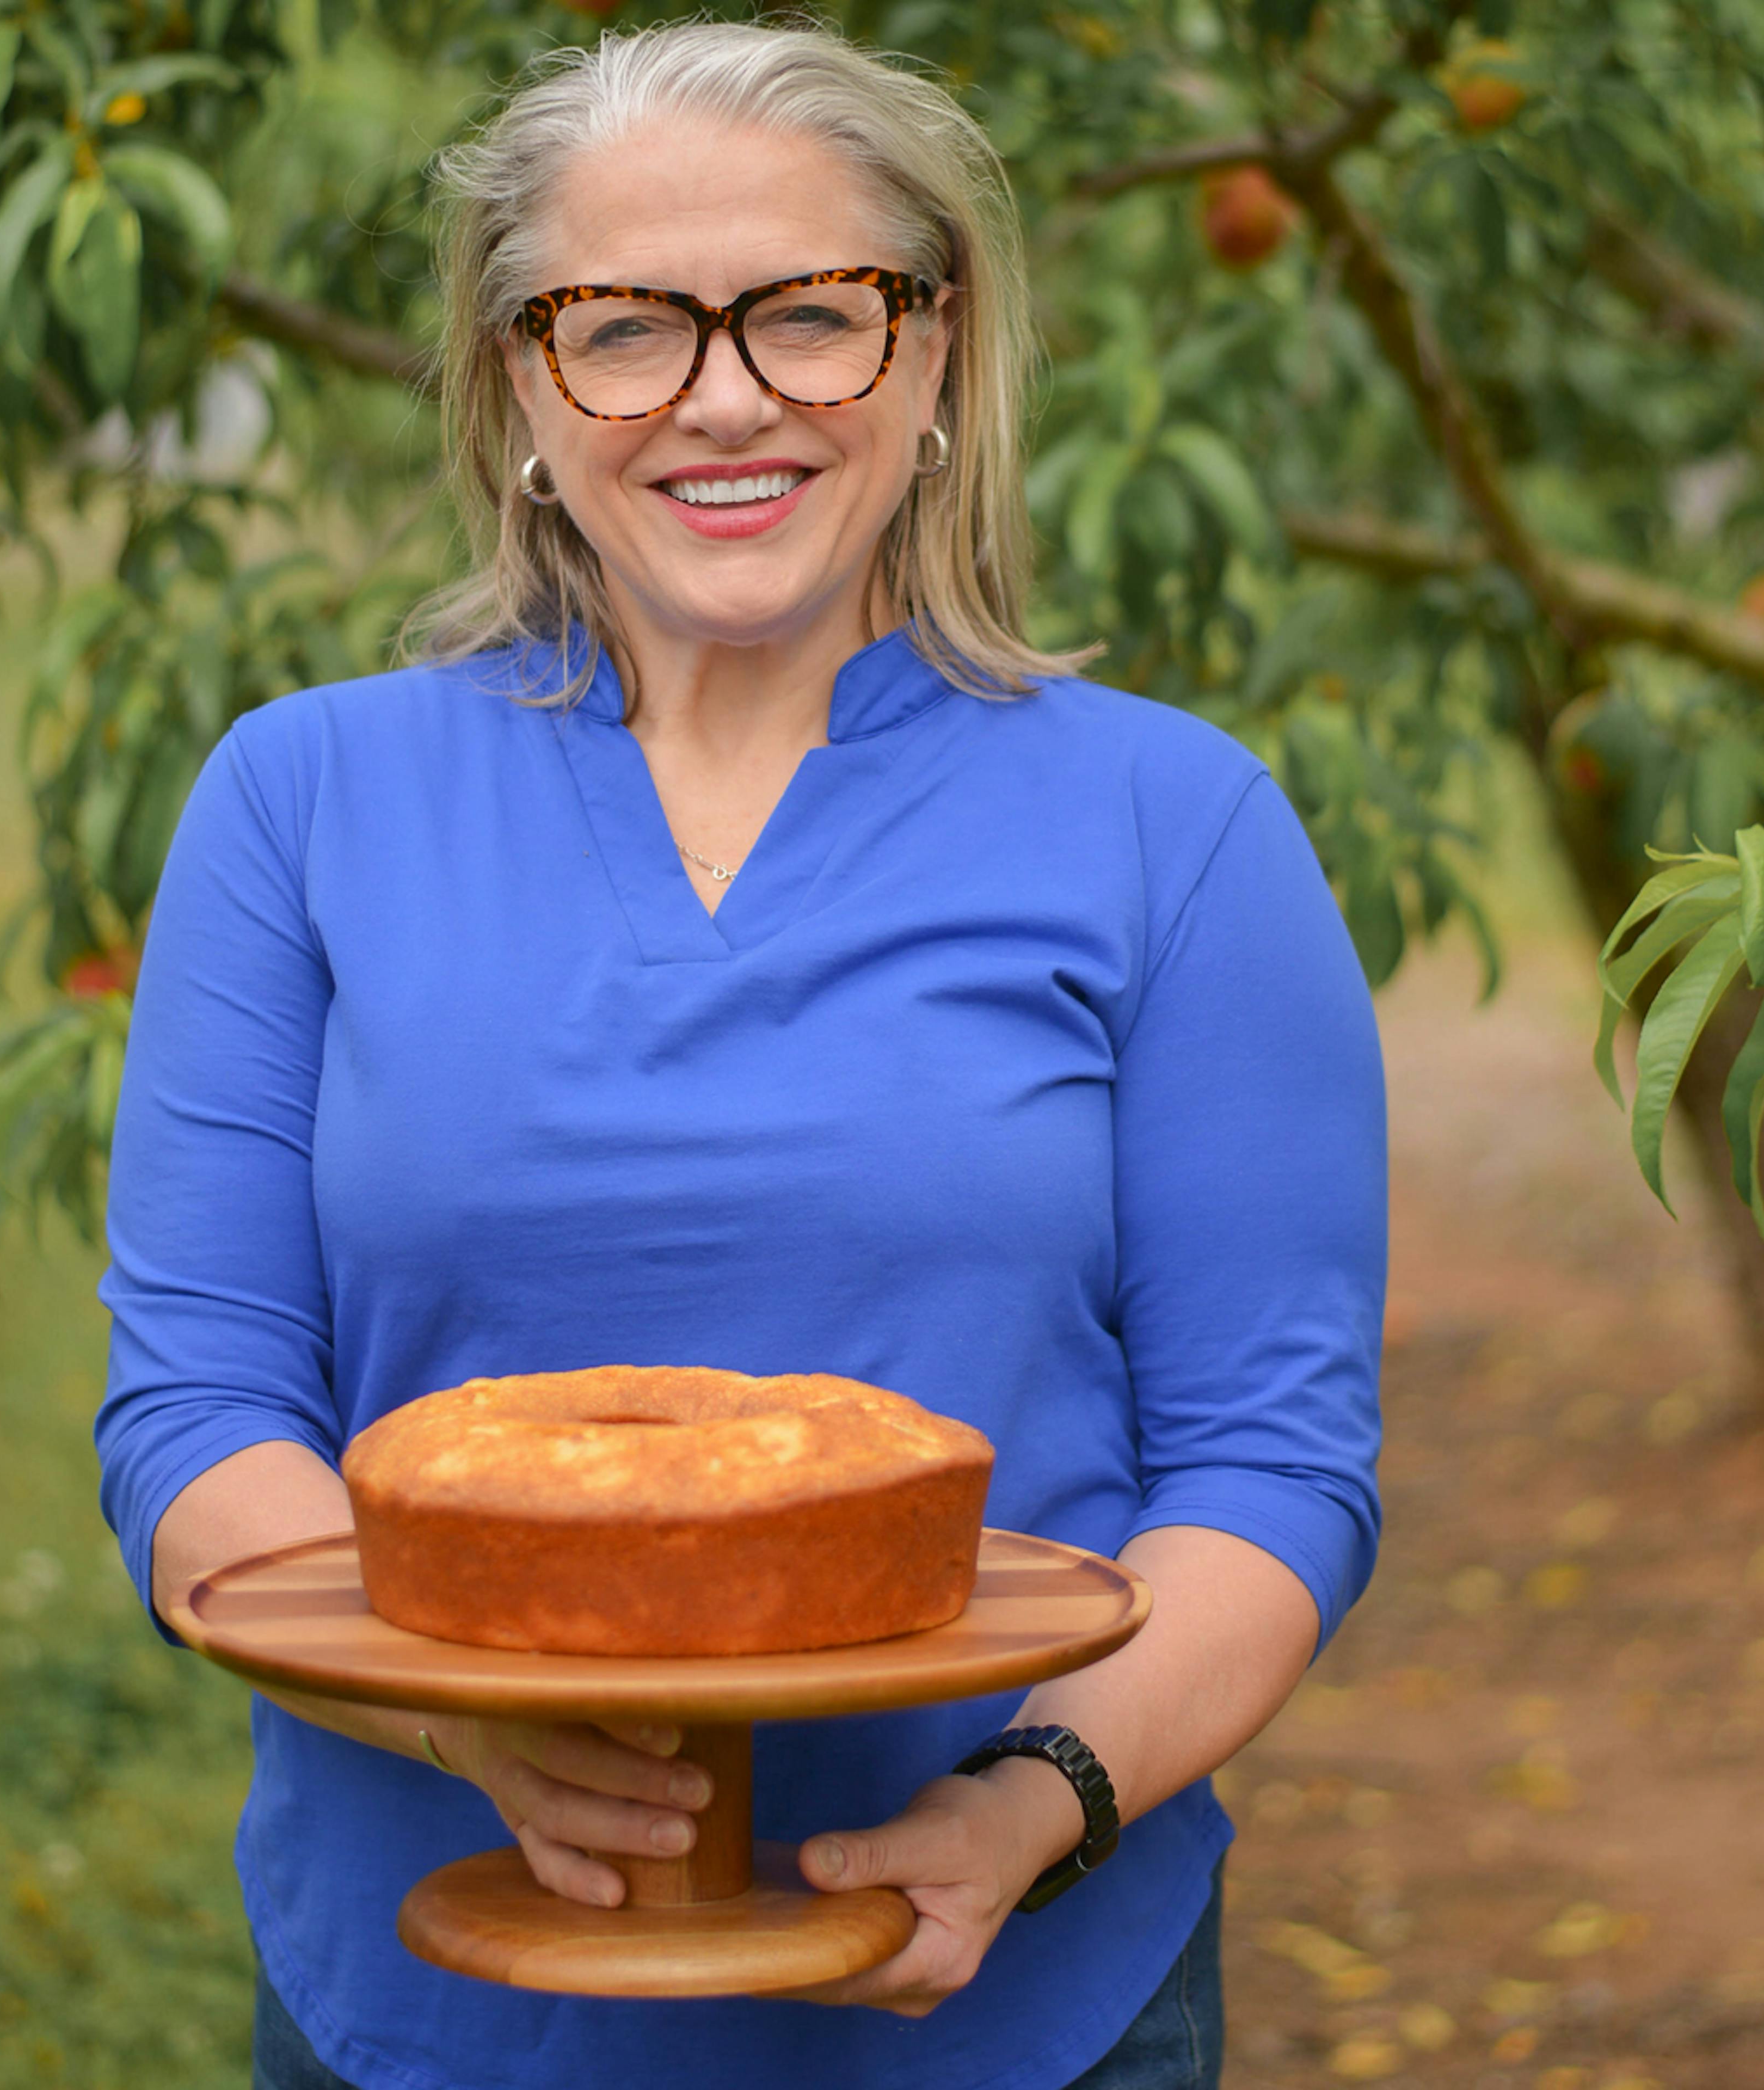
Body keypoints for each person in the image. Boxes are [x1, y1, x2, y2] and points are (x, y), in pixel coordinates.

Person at [96, 19, 1385, 2090]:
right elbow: (197, 1417)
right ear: (523, 376)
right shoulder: (299, 802)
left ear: (939, 351)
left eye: (810, 316)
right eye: (624, 329)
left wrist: (1033, 1804)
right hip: (433, 2003)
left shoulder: (1179, 826)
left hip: (1023, 2007)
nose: (723, 399)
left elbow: (1269, 1469)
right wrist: (465, 1722)